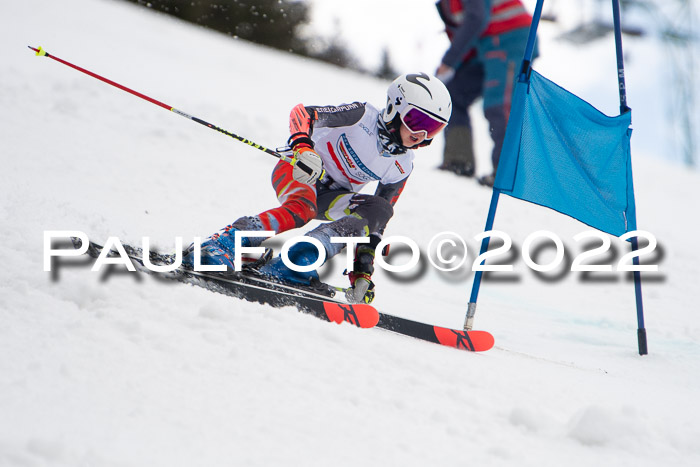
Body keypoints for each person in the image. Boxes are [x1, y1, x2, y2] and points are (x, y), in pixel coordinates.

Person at [182, 73, 452, 304]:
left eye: (434, 129)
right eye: (418, 122)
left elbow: (374, 225)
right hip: (298, 168)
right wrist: (303, 147)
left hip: (331, 197)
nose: (422, 135)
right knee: (302, 208)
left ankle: (297, 261)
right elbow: (303, 113)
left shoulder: (402, 165)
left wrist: (362, 273)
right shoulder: (361, 116)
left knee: (379, 208)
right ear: (395, 107)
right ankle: (222, 244)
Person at [435, 0, 537, 186]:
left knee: (499, 103)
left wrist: (449, 61)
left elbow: (476, 18)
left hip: (509, 39)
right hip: (486, 45)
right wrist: (454, 64)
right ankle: (459, 161)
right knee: (454, 92)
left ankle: (506, 174)